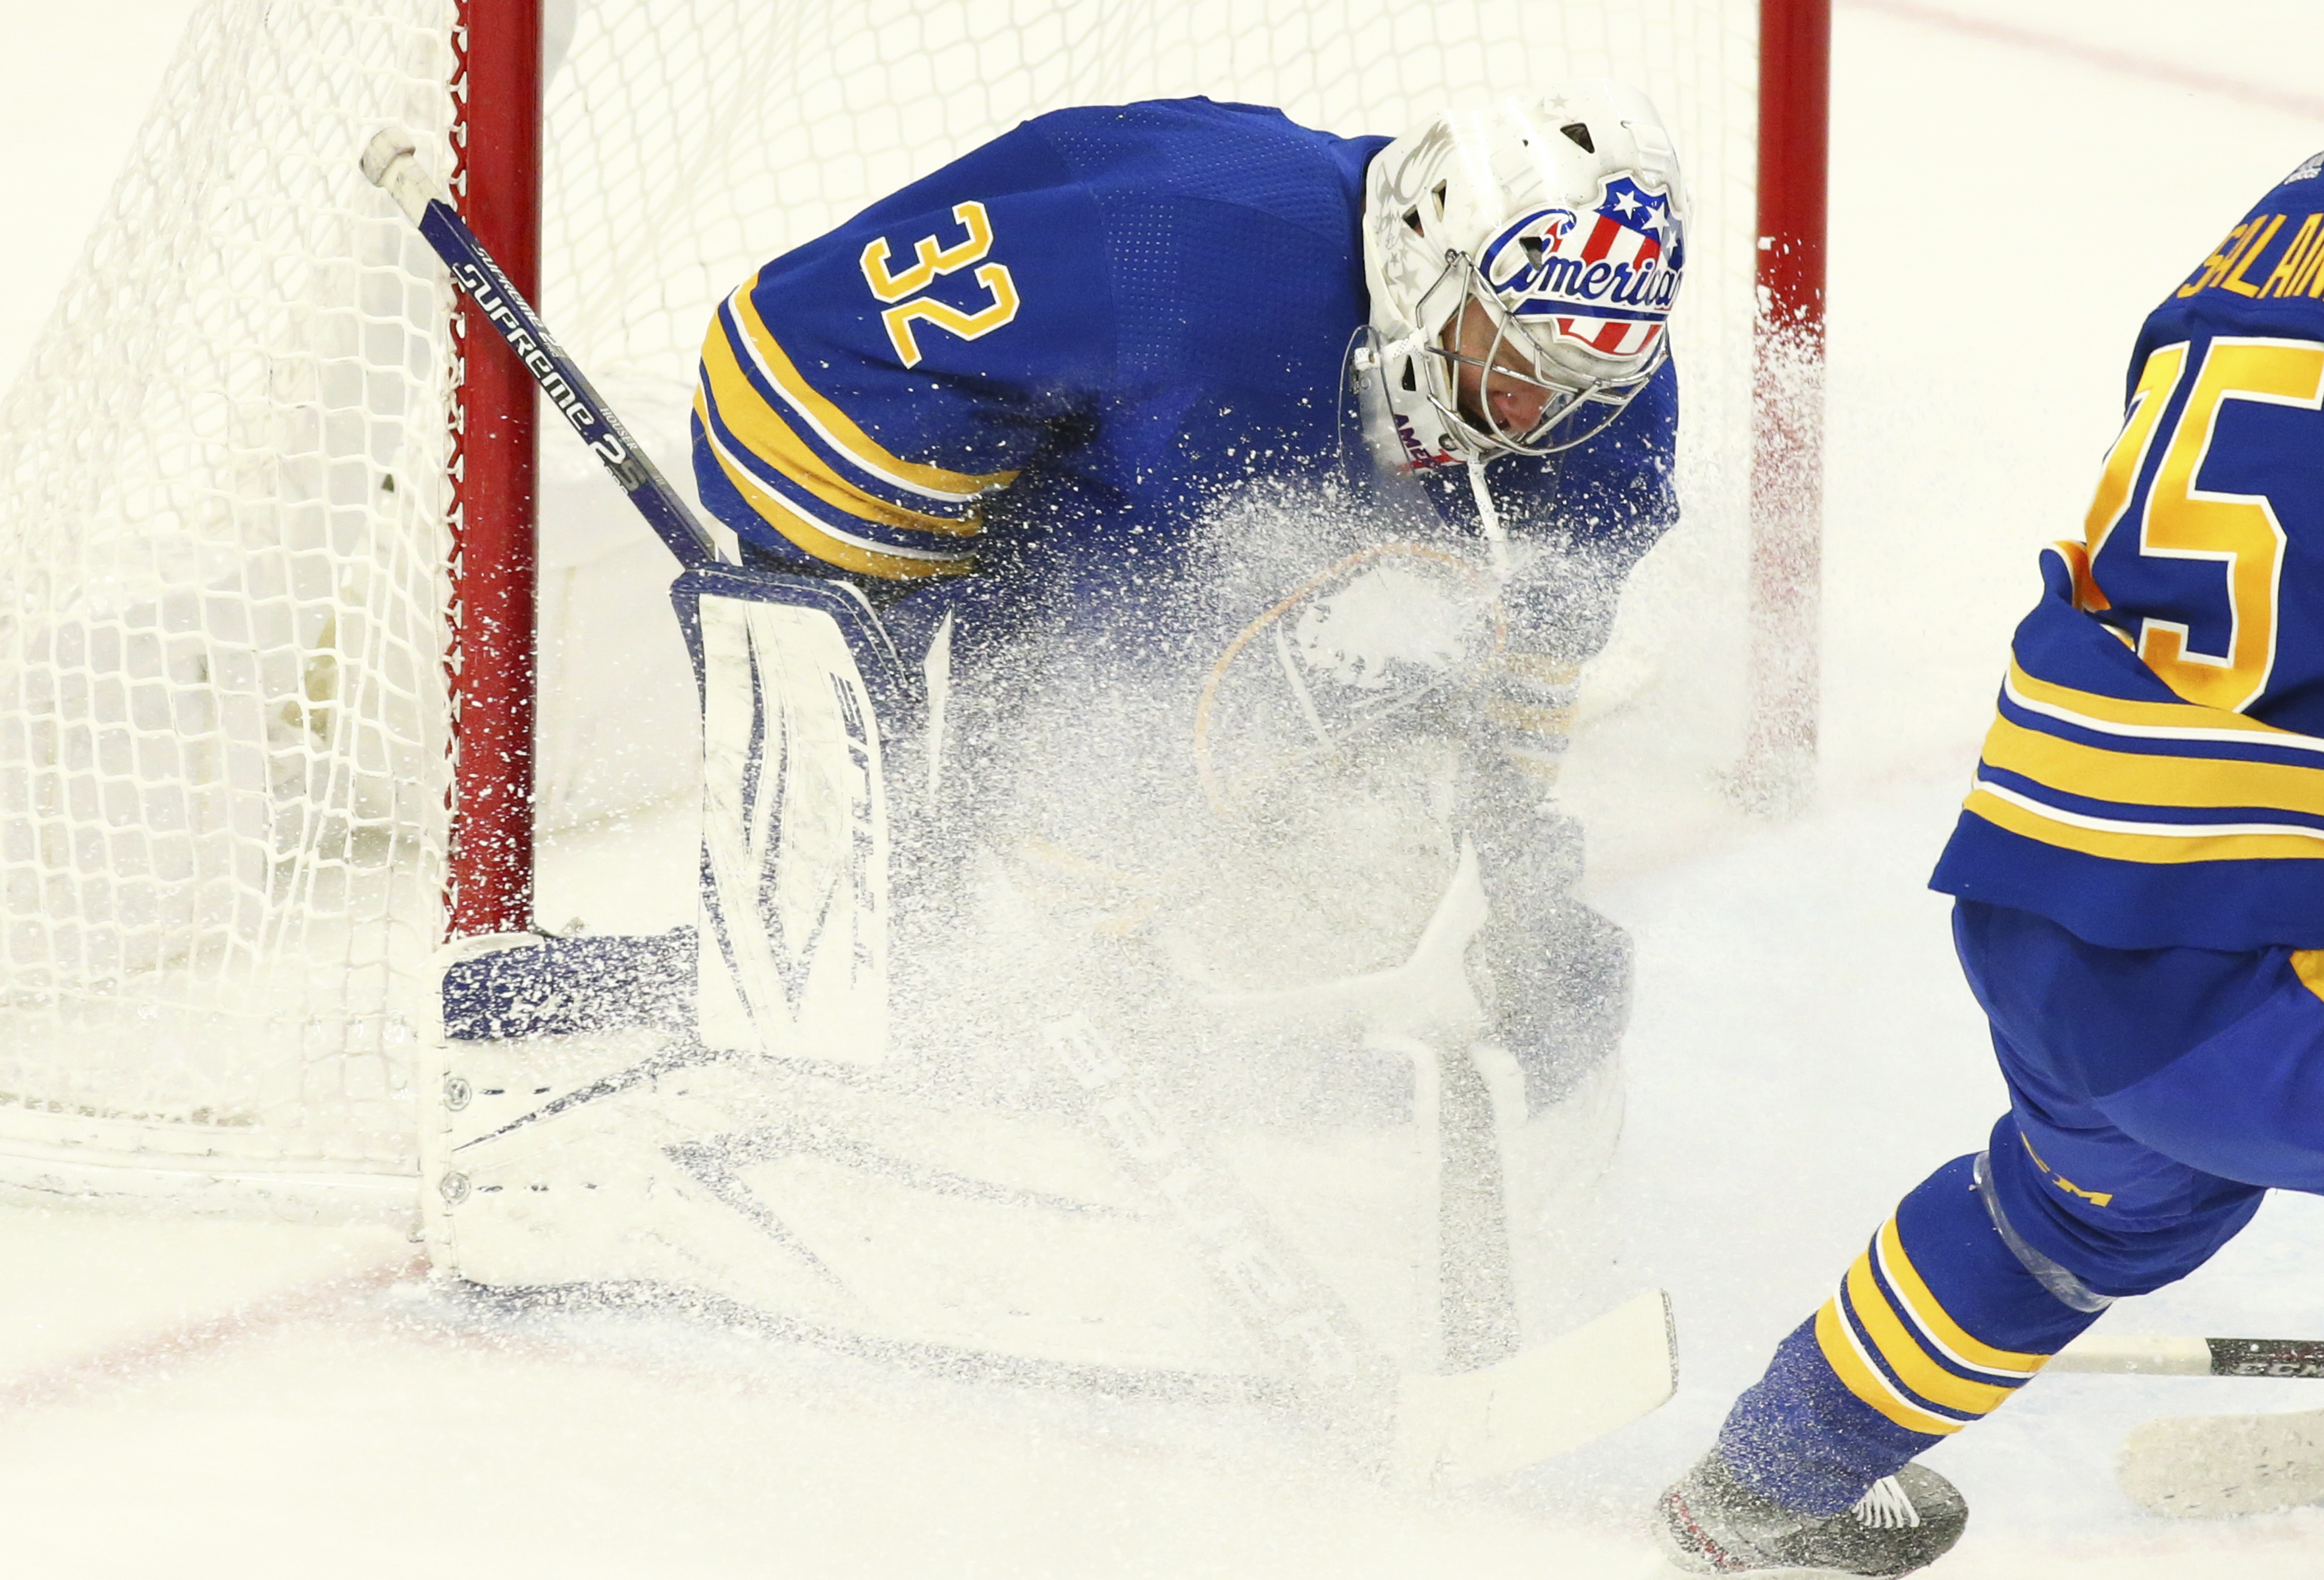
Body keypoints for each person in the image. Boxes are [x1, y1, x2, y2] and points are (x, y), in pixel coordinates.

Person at [682, 86, 1686, 1103]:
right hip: (862, 406)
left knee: (1356, 636)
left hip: (1165, 411)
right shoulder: (1205, 261)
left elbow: (1547, 617)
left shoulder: (1591, 347)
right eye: (1512, 358)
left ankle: (1073, 921)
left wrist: (1499, 840)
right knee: (1154, 677)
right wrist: (1060, 908)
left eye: (1572, 381)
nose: (1534, 407)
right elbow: (794, 371)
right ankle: (1009, 967)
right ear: (1426, 258)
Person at [1653, 149, 2324, 1577]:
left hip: (2052, 901)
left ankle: (1768, 1484)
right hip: (2266, 942)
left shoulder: (2266, 233)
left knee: (2059, 1222)